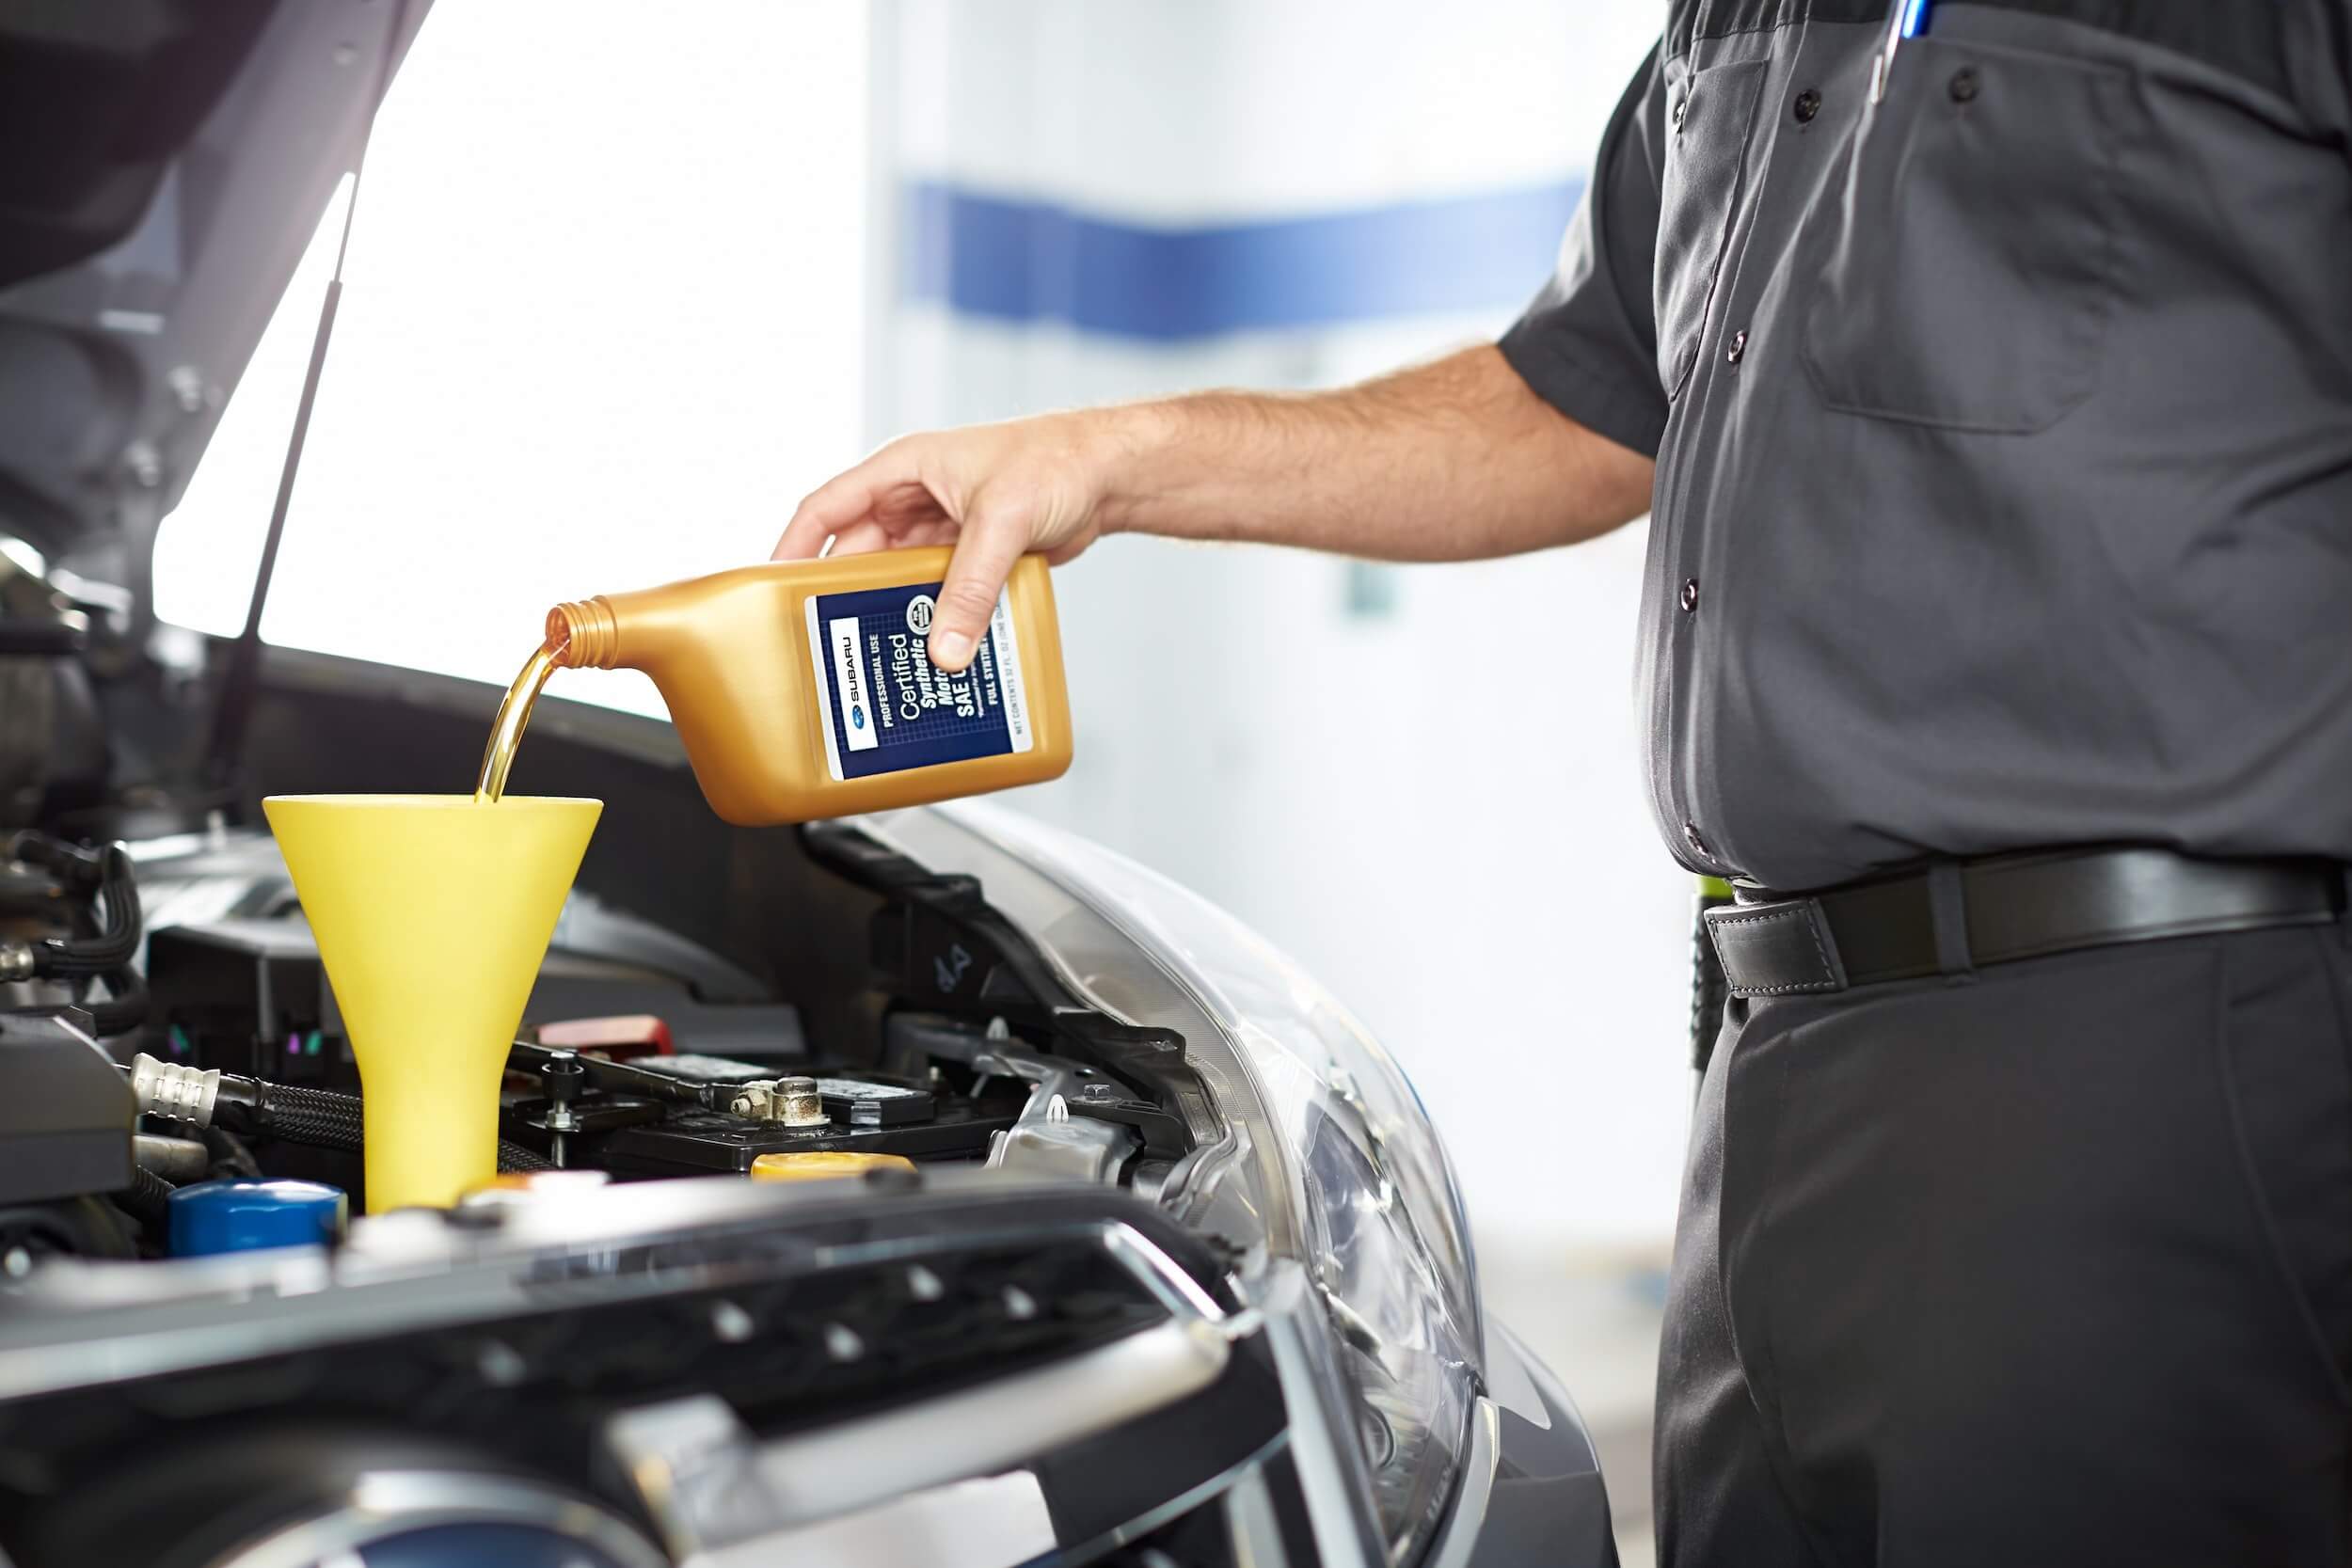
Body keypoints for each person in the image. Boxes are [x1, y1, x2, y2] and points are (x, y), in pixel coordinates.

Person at [776, 6, 2352, 1564]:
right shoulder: (1739, 23)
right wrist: (1111, 457)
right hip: (1775, 1065)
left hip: (2155, 1040)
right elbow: (1574, 402)